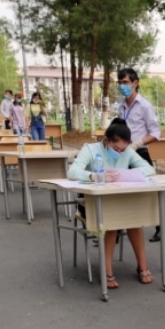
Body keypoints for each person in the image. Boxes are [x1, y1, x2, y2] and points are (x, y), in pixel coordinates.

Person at [67, 118, 156, 288]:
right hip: (91, 203)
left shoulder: (127, 152)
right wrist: (93, 176)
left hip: (119, 200)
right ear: (106, 140)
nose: (120, 153)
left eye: (123, 149)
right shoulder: (90, 149)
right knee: (111, 222)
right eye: (116, 149)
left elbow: (149, 169)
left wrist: (124, 174)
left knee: (135, 220)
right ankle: (107, 271)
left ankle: (143, 267)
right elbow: (72, 171)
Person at [116, 67, 165, 242]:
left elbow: (156, 133)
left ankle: (161, 226)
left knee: (149, 192)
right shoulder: (121, 107)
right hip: (123, 154)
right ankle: (115, 230)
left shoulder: (145, 106)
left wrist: (137, 143)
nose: (122, 86)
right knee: (118, 191)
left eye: (125, 82)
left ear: (135, 83)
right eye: (120, 83)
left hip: (140, 153)